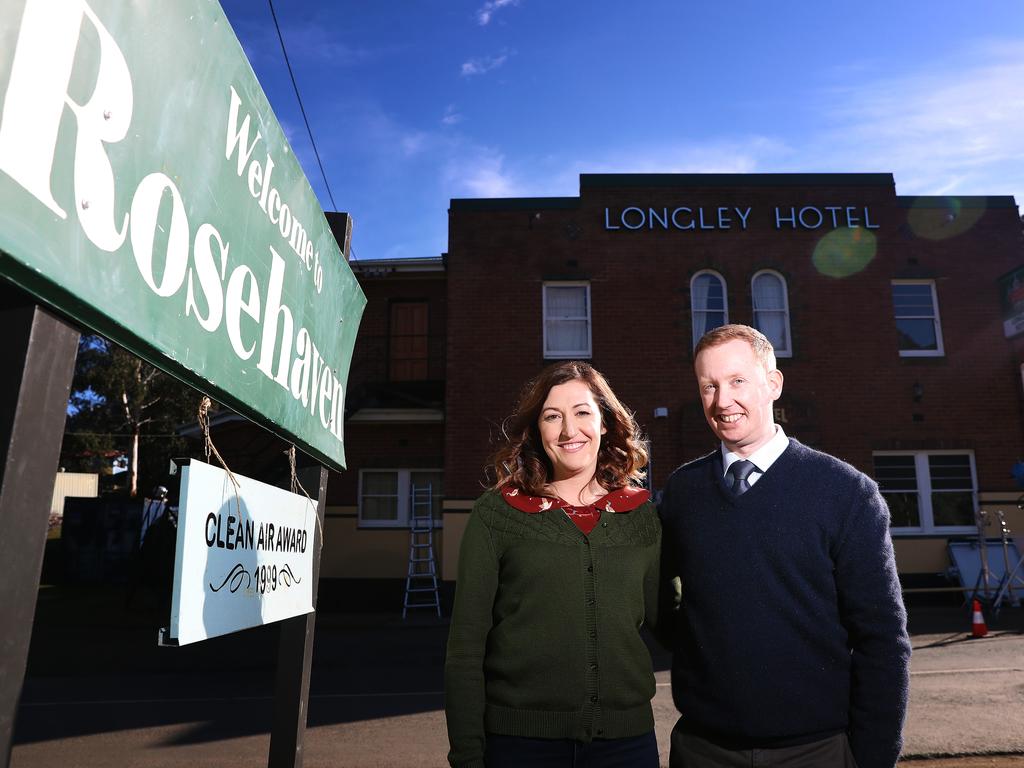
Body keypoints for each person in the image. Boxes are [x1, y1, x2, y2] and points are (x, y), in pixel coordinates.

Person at [659, 324, 911, 768]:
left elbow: (883, 641)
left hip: (815, 750)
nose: (722, 401)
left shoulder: (846, 492)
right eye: (708, 386)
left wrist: (871, 758)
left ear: (772, 384)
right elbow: (661, 601)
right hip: (703, 750)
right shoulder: (683, 492)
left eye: (737, 381)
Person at [445, 361, 662, 768]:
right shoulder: (497, 513)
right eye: (552, 416)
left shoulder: (642, 515)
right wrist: (468, 757)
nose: (568, 430)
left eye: (582, 412)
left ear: (605, 424)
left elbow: (670, 622)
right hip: (520, 747)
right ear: (536, 430)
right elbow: (465, 651)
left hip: (626, 747)